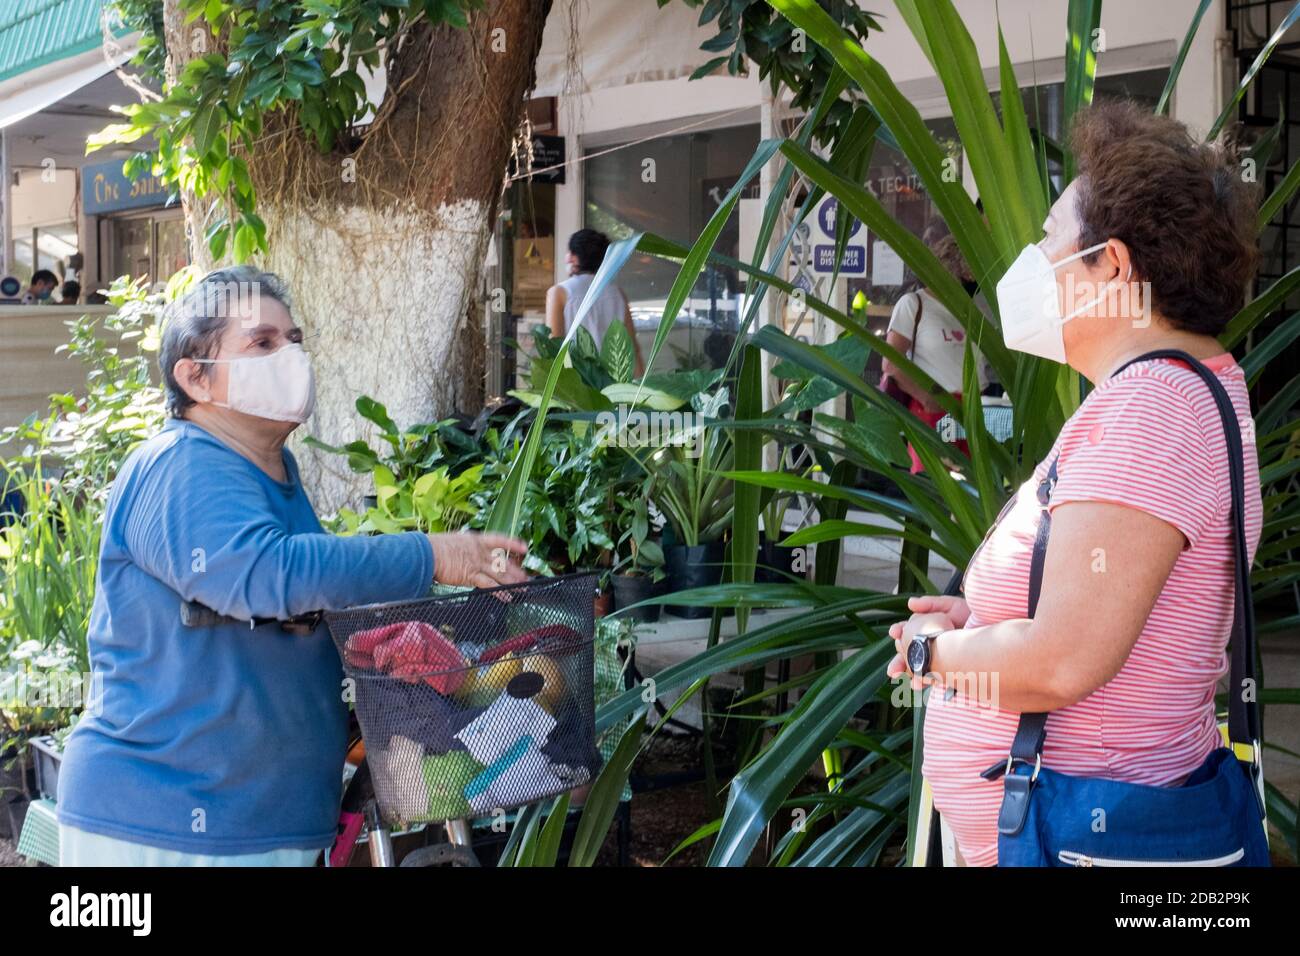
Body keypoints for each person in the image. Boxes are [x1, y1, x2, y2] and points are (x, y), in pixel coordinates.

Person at [887, 101, 1263, 866]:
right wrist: (987, 612)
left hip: (1076, 833)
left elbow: (1061, 661)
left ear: (1113, 267)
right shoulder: (1195, 385)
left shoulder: (1151, 407)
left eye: (1049, 237)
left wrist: (931, 654)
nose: (1030, 258)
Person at [57, 266, 530, 866]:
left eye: (294, 340)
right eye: (262, 342)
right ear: (195, 377)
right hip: (169, 825)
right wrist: (435, 554)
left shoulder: (271, 475)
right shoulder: (183, 463)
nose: (290, 356)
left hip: (257, 826)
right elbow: (262, 574)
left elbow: (293, 606)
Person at [880, 223, 986, 472]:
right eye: (967, 275)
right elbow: (891, 364)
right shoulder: (914, 304)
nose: (972, 282)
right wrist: (926, 397)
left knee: (973, 493)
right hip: (935, 409)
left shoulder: (972, 309)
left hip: (973, 413)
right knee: (937, 490)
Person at [546, 228, 645, 373]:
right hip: (614, 384)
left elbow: (554, 348)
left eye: (569, 252)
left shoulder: (559, 293)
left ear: (574, 258)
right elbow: (632, 349)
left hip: (579, 384)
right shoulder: (618, 294)